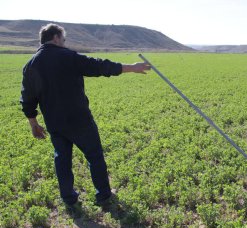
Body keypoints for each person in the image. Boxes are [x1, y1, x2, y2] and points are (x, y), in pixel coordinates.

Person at [20, 23, 151, 206]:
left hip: (54, 123)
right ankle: (104, 195)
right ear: (56, 37)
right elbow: (99, 67)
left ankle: (68, 198)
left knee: (62, 159)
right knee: (94, 156)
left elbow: (27, 98)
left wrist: (33, 123)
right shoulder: (68, 57)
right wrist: (131, 67)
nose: (65, 43)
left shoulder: (30, 65)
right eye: (63, 39)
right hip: (79, 119)